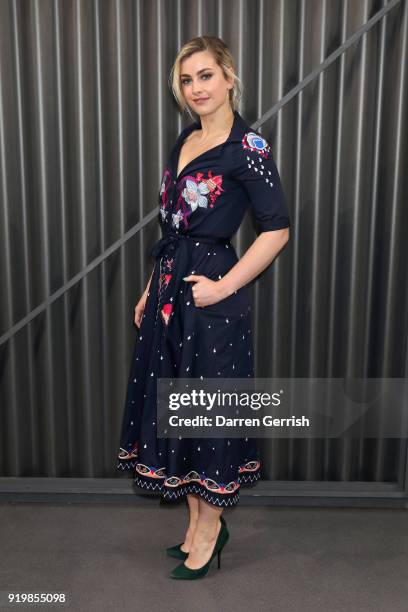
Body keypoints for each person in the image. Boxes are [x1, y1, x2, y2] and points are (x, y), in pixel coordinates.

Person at [117, 35, 290, 579]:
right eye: (187, 80)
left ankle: (212, 528)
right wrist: (151, 288)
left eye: (206, 76)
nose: (197, 88)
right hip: (170, 294)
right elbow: (169, 226)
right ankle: (195, 525)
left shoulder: (249, 150)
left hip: (211, 296)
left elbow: (277, 230)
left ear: (230, 77)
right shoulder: (185, 139)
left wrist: (222, 287)